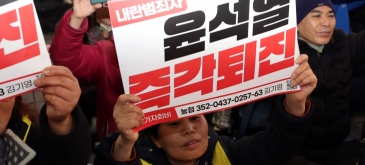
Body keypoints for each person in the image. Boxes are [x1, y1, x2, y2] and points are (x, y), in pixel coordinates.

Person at [94, 56, 317, 165]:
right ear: (156, 139)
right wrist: (125, 141)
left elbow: (277, 147)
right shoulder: (140, 160)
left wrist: (296, 103)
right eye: (174, 123)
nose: (189, 129)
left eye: (195, 118)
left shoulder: (227, 153)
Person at [288, 0, 365, 165]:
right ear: (296, 22)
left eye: (330, 14)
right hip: (295, 152)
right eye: (316, 15)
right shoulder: (283, 56)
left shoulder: (344, 43)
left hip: (340, 147)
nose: (326, 22)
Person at [49, 0, 125, 140]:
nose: (109, 6)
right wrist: (77, 17)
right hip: (87, 94)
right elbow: (65, 57)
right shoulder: (104, 48)